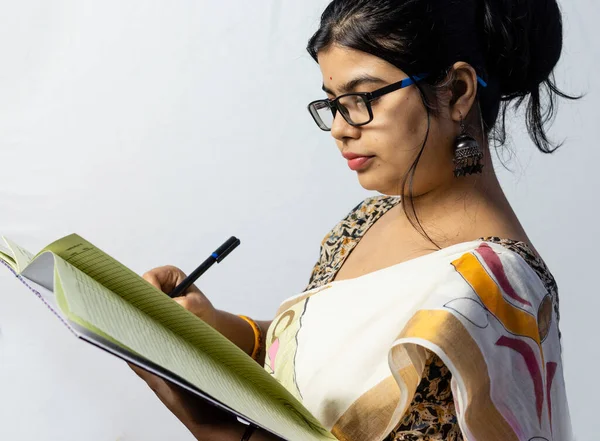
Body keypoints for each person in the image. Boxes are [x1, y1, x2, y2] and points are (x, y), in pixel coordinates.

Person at [131, 0, 577, 439]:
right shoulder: (369, 218)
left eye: (362, 98)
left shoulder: (492, 289)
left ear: (458, 91)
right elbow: (324, 367)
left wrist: (210, 425)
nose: (341, 128)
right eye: (333, 103)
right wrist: (212, 326)